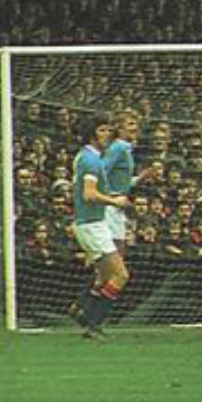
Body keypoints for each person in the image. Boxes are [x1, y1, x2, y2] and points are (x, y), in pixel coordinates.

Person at [68, 113, 130, 338]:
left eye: (108, 129)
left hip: (91, 222)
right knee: (121, 275)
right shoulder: (91, 160)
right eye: (102, 130)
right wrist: (115, 200)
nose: (107, 134)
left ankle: (79, 308)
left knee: (103, 276)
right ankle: (94, 325)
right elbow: (89, 194)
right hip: (92, 224)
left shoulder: (86, 156)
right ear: (91, 133)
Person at [103, 108, 158, 255]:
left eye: (136, 124)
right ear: (120, 128)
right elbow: (100, 172)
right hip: (110, 206)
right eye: (131, 124)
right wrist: (111, 197)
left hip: (118, 206)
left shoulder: (125, 148)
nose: (135, 128)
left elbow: (122, 182)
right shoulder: (118, 147)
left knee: (116, 255)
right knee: (113, 256)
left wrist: (142, 176)